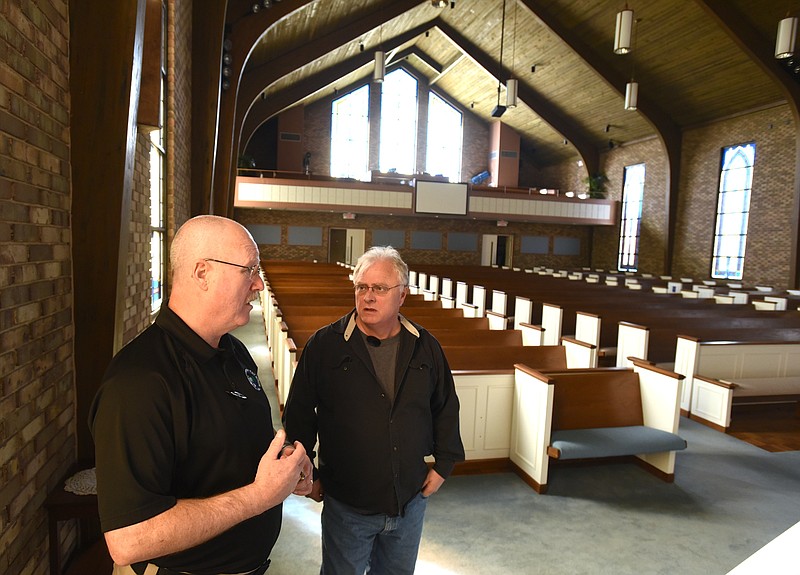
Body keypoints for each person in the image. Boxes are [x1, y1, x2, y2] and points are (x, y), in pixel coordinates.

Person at [89, 215, 312, 575]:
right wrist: (259, 497)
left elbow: (226, 443)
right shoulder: (139, 382)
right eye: (249, 270)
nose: (258, 284)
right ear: (202, 273)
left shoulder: (234, 352)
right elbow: (128, 539)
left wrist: (283, 464)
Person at [282, 246, 465, 575]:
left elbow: (445, 406)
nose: (368, 296)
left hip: (409, 500)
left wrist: (445, 464)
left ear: (402, 295)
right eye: (361, 287)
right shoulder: (325, 345)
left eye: (379, 288)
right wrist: (308, 477)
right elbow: (298, 416)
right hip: (347, 504)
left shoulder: (425, 346)